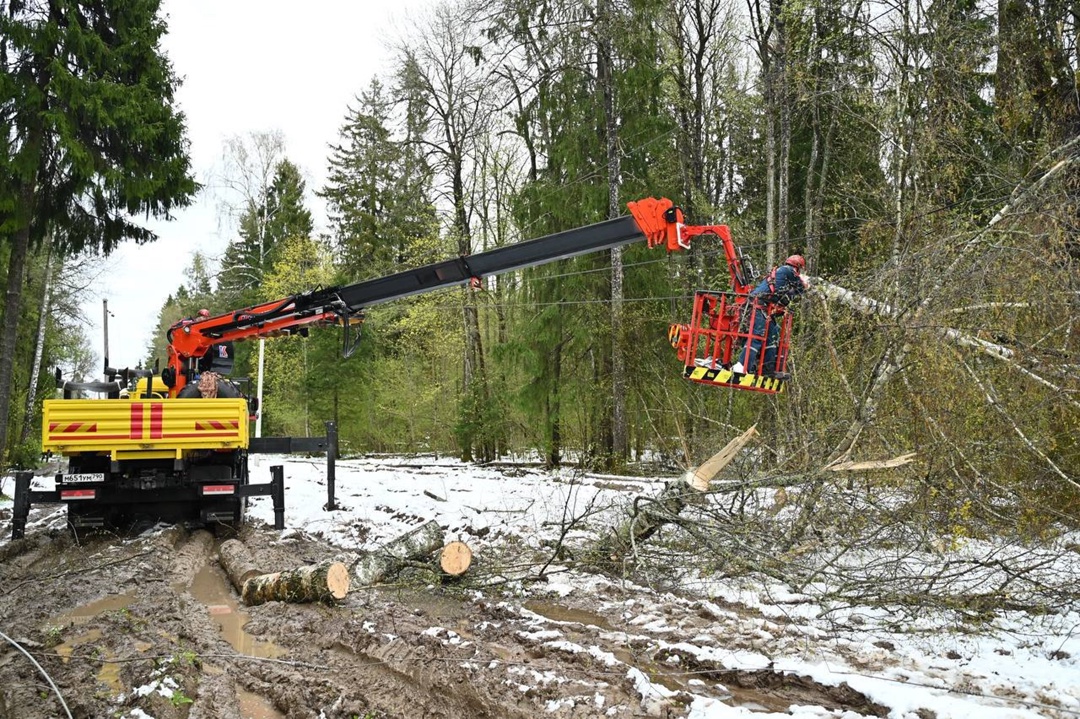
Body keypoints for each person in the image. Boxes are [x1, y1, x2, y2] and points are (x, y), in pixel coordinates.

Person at [735, 254, 808, 379]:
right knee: (757, 335)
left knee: (773, 333)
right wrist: (806, 283)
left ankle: (768, 369)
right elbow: (800, 287)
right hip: (757, 305)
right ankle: (742, 366)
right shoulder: (787, 270)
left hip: (763, 306)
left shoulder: (783, 276)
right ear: (798, 267)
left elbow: (789, 294)